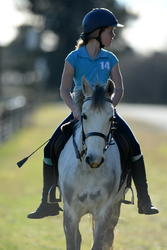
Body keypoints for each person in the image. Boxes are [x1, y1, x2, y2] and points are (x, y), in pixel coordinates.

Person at [27, 8, 159, 219]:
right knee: (51, 146)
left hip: (106, 109)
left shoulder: (111, 58)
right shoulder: (74, 57)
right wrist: (75, 110)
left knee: (134, 146)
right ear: (97, 32)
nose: (113, 35)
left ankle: (144, 199)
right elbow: (64, 89)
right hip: (82, 107)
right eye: (110, 30)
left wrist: (110, 110)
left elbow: (119, 89)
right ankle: (47, 201)